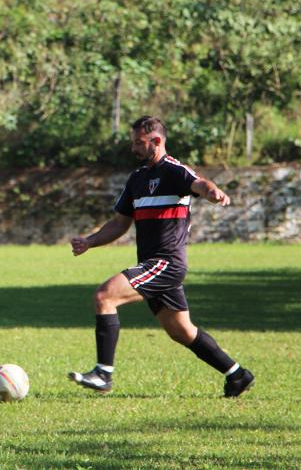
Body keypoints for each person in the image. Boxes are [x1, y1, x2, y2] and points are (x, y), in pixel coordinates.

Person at [68, 116, 254, 397]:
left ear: (156, 141)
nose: (134, 148)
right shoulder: (137, 178)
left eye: (138, 143)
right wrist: (89, 242)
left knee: (105, 296)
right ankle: (237, 375)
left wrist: (213, 191)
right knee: (181, 331)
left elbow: (200, 184)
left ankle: (103, 374)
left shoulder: (174, 171)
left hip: (166, 263)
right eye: (133, 142)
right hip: (152, 263)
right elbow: (120, 224)